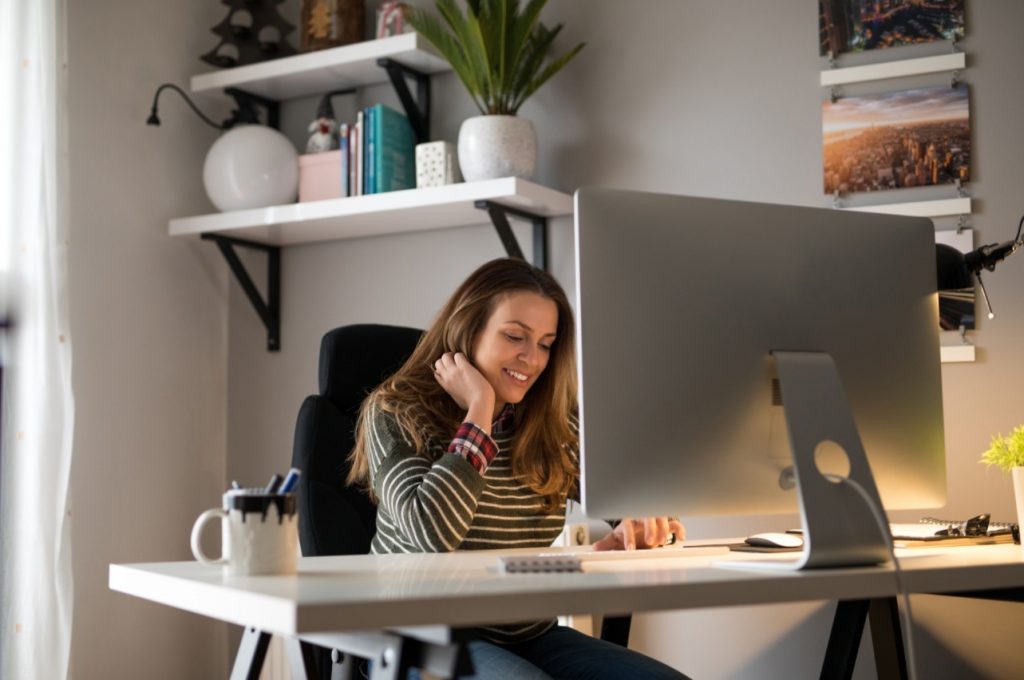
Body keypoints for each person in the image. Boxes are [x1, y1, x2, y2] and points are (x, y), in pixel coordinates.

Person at [348, 258, 690, 680]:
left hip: (527, 632)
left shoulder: (555, 422)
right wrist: (480, 413)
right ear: (468, 330)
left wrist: (641, 522)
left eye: (546, 344)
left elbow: (628, 501)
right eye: (515, 336)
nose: (532, 359)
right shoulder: (396, 411)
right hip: (416, 636)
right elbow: (430, 534)